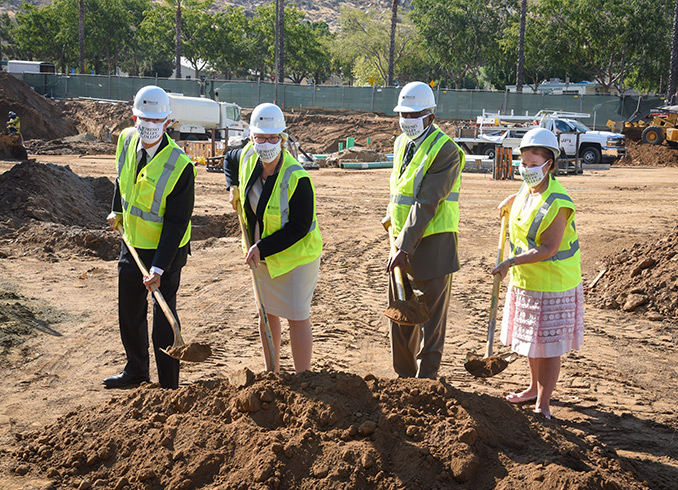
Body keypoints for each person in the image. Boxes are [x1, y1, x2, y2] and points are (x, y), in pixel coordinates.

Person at [103, 85, 196, 389]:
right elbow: (122, 176)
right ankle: (136, 371)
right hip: (131, 241)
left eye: (157, 121)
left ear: (168, 122)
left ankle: (169, 384)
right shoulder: (127, 140)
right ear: (133, 117)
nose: (149, 126)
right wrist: (116, 211)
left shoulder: (180, 165)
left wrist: (158, 267)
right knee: (129, 309)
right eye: (144, 119)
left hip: (167, 250)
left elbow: (177, 221)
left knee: (162, 315)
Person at [492, 127, 584, 420]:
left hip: (553, 284)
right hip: (527, 281)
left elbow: (548, 248)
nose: (527, 170)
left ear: (550, 165)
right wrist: (511, 199)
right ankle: (533, 388)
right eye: (524, 164)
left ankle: (543, 404)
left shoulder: (559, 201)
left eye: (534, 165)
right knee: (532, 341)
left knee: (548, 347)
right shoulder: (526, 188)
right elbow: (525, 203)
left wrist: (510, 263)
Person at [224, 103, 322, 373]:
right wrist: (232, 186)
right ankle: (273, 373)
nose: (266, 143)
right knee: (266, 314)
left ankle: (303, 377)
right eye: (260, 137)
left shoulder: (297, 177)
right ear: (251, 137)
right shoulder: (246, 156)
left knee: (297, 316)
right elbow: (228, 160)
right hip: (261, 256)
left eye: (272, 138)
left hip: (296, 258)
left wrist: (261, 247)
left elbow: (299, 227)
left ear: (282, 138)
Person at [385, 81, 465, 379]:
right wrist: (392, 225)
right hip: (400, 242)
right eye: (403, 114)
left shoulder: (447, 152)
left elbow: (427, 202)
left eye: (413, 114)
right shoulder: (401, 144)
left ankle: (426, 380)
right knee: (402, 314)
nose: (407, 120)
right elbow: (401, 189)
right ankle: (404, 380)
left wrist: (404, 247)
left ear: (430, 116)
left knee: (430, 320)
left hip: (433, 244)